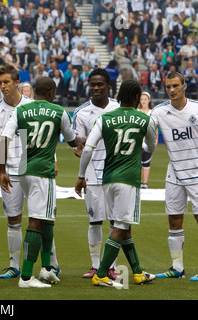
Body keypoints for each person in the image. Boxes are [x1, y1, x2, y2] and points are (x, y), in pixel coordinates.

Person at [0, 77, 86, 288]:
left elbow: (4, 139)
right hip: (43, 172)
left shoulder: (19, 111)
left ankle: (47, 269)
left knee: (47, 219)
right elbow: (72, 140)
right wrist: (86, 140)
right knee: (37, 221)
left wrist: (1, 170)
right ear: (51, 92)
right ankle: (27, 277)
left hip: (23, 170)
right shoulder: (59, 112)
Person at [75, 79, 157, 288]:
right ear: (138, 98)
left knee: (124, 226)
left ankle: (138, 272)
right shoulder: (144, 119)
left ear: (119, 95)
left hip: (107, 179)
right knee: (120, 226)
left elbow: (87, 149)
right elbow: (151, 147)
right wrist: (141, 143)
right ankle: (101, 273)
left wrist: (81, 176)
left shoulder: (105, 119)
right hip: (128, 179)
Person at [0, 66, 58, 281]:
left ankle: (51, 265)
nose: (3, 86)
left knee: (44, 219)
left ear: (17, 82)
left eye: (6, 82)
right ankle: (13, 266)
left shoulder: (33, 106)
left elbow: (47, 136)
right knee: (13, 219)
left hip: (36, 168)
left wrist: (53, 160)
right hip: (11, 171)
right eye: (0, 83)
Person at [72, 68, 121, 280]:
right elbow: (79, 143)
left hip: (115, 171)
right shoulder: (81, 112)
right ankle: (94, 265)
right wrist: (78, 149)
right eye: (93, 84)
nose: (96, 88)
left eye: (100, 84)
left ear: (108, 85)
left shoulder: (119, 108)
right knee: (94, 220)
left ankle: (111, 266)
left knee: (115, 220)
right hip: (92, 173)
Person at [150, 72, 198, 281]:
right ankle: (177, 268)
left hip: (196, 172)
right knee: (174, 219)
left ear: (184, 86)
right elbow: (145, 132)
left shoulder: (196, 108)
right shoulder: (159, 112)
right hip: (174, 173)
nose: (171, 90)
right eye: (168, 86)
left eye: (175, 86)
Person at [138, 92, 155, 189]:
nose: (143, 101)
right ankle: (138, 181)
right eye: (142, 99)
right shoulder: (137, 111)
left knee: (146, 161)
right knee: (137, 162)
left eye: (145, 99)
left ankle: (145, 183)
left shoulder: (152, 112)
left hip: (148, 140)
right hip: (138, 140)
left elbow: (154, 127)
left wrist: (155, 139)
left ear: (149, 100)